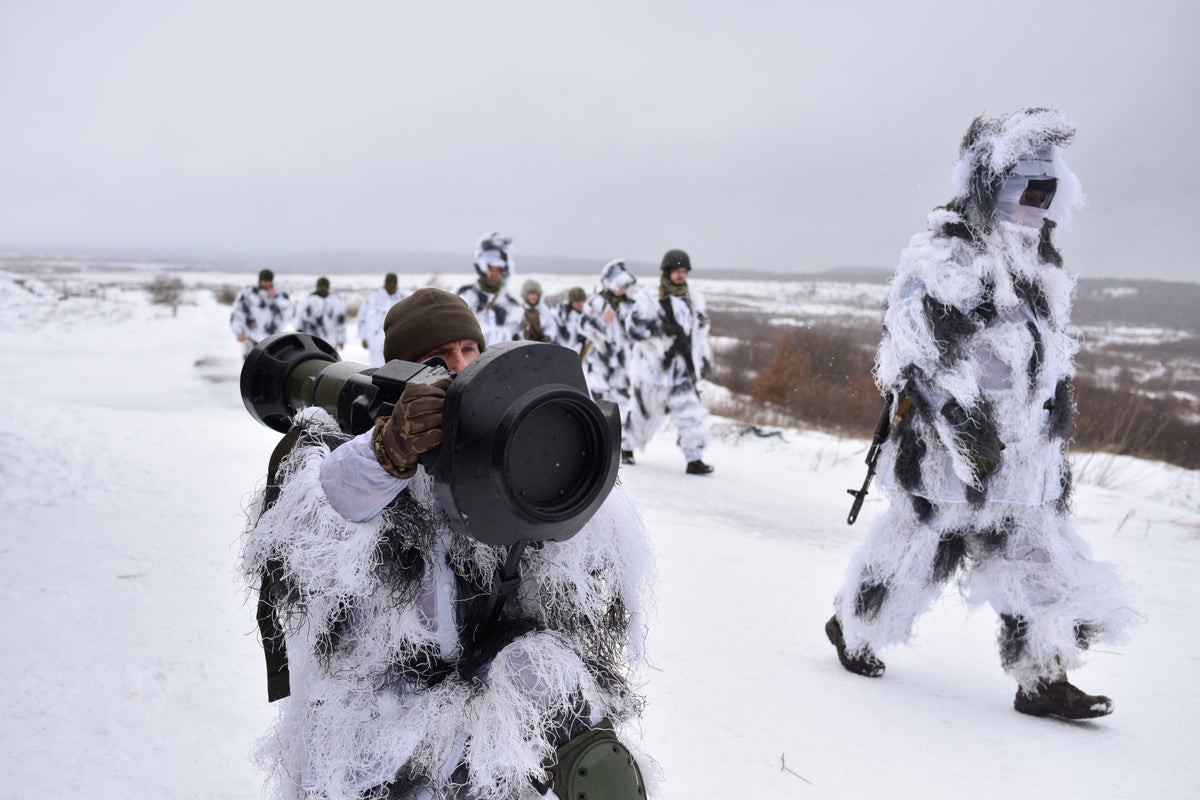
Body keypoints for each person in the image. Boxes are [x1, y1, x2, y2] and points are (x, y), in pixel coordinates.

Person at [241, 287, 652, 800]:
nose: (458, 367)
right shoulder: (341, 455)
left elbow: (574, 569)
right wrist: (388, 455)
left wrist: (572, 471)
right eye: (436, 359)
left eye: (469, 351)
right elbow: (312, 542)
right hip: (375, 718)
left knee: (583, 735)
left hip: (480, 696)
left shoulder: (501, 452)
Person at [824, 108, 1137, 719]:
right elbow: (914, 353)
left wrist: (1047, 427)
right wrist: (963, 429)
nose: (1036, 203)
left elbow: (1044, 358)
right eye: (1027, 188)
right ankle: (853, 627)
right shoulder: (947, 256)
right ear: (990, 184)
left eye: (1047, 193)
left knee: (1039, 557)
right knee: (917, 551)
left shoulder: (1037, 263)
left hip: (1025, 460)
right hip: (949, 458)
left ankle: (1043, 677)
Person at [624, 250, 715, 475]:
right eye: (677, 271)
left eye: (684, 271)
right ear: (667, 272)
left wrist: (703, 358)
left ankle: (694, 459)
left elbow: (700, 334)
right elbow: (632, 328)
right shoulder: (649, 297)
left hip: (682, 371)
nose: (681, 275)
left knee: (692, 415)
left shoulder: (694, 298)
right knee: (642, 415)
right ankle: (625, 448)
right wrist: (658, 328)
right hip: (652, 371)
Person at [578, 260, 642, 464]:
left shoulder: (631, 306)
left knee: (621, 405)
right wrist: (601, 322)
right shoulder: (595, 303)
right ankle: (594, 444)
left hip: (621, 365)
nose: (622, 290)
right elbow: (583, 326)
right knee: (596, 404)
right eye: (619, 285)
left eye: (625, 286)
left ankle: (623, 447)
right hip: (598, 361)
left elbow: (637, 332)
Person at [457, 232, 523, 345]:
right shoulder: (465, 296)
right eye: (490, 268)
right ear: (482, 267)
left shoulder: (512, 303)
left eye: (498, 269)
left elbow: (519, 339)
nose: (494, 274)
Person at [230, 268, 294, 358]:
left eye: (269, 281)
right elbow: (238, 312)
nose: (266, 283)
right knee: (250, 365)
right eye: (264, 281)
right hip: (251, 337)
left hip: (271, 338)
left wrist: (276, 297)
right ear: (260, 280)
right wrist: (238, 330)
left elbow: (288, 310)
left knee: (270, 365)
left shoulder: (279, 293)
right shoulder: (248, 293)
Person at [358, 272, 406, 366]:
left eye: (393, 284)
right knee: (376, 371)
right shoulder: (373, 298)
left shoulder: (403, 300)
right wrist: (363, 337)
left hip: (396, 343)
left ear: (396, 284)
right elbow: (362, 318)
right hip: (375, 343)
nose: (391, 286)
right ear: (385, 283)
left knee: (394, 371)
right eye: (389, 283)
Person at [295, 276, 347, 350]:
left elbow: (340, 323)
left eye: (325, 286)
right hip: (312, 340)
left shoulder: (336, 301)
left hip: (331, 341)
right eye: (320, 286)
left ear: (328, 287)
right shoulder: (308, 300)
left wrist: (341, 340)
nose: (322, 288)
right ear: (317, 287)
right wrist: (299, 337)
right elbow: (300, 319)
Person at [518, 279, 560, 343]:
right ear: (525, 295)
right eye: (530, 293)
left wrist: (548, 336)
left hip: (540, 345)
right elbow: (513, 328)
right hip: (521, 345)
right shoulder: (519, 309)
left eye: (535, 294)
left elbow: (551, 326)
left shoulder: (543, 309)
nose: (533, 296)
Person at [552, 287, 589, 354]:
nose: (580, 304)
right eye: (577, 301)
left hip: (580, 353)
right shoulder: (561, 312)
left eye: (582, 301)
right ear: (571, 301)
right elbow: (554, 332)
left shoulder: (587, 314)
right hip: (562, 351)